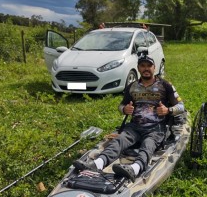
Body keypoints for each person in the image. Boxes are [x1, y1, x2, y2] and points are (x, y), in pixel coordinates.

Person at [73, 54, 185, 182]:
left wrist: (168, 110)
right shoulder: (132, 87)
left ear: (154, 68)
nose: (146, 68)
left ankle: (135, 168)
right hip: (134, 126)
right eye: (143, 66)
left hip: (156, 128)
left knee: (148, 145)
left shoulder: (166, 85)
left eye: (149, 66)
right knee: (119, 141)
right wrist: (124, 109)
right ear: (138, 68)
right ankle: (97, 164)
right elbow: (121, 106)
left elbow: (181, 106)